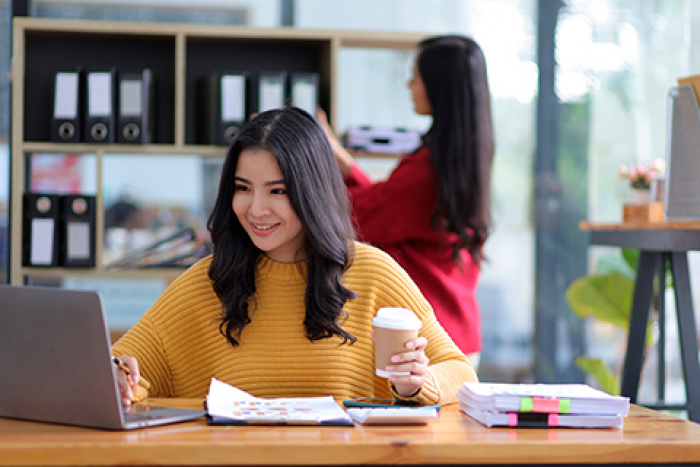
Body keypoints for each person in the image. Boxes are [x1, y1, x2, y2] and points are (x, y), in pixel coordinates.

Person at [112, 107, 477, 406]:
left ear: (311, 193)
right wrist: (120, 375)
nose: (256, 209)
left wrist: (417, 383)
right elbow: (124, 367)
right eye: (243, 189)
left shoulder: (373, 272)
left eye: (278, 191)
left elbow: (460, 373)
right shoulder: (207, 280)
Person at [318, 35, 494, 368]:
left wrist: (309, 172)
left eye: (416, 75)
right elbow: (389, 202)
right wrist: (343, 161)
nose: (409, 84)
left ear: (437, 85)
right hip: (458, 332)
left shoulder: (426, 172)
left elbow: (365, 213)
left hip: (430, 342)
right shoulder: (462, 159)